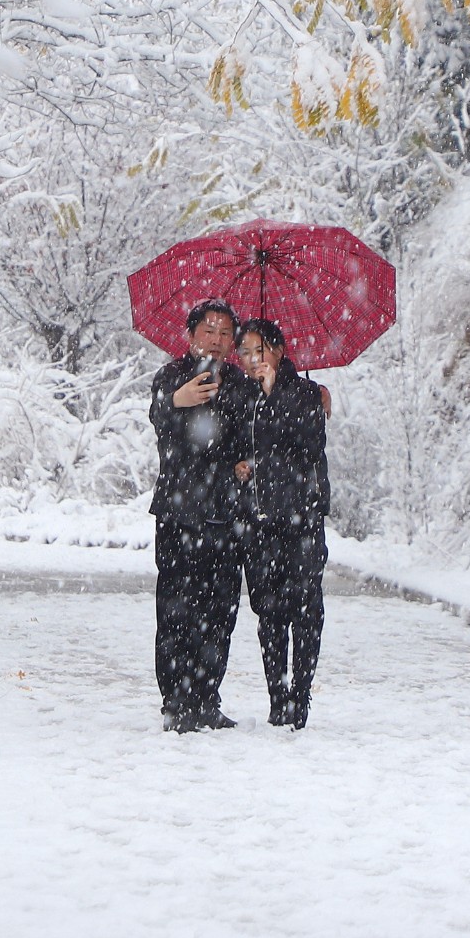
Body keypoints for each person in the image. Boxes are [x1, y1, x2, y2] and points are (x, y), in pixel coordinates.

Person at [149, 299, 251, 734]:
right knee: (176, 610)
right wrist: (180, 399)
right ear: (191, 334)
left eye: (226, 333)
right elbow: (158, 417)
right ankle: (175, 702)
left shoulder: (242, 385)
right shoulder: (170, 376)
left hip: (225, 515)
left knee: (221, 610)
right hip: (179, 512)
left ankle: (207, 698)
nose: (217, 338)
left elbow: (257, 432)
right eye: (209, 329)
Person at [233, 318, 328, 730]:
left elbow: (310, 443)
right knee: (269, 612)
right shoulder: (240, 396)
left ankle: (301, 694)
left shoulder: (308, 393)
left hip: (301, 518)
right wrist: (237, 463)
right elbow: (231, 443)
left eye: (259, 350)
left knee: (305, 610)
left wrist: (275, 396)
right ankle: (278, 693)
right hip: (258, 520)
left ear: (279, 350)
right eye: (245, 354)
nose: (253, 361)